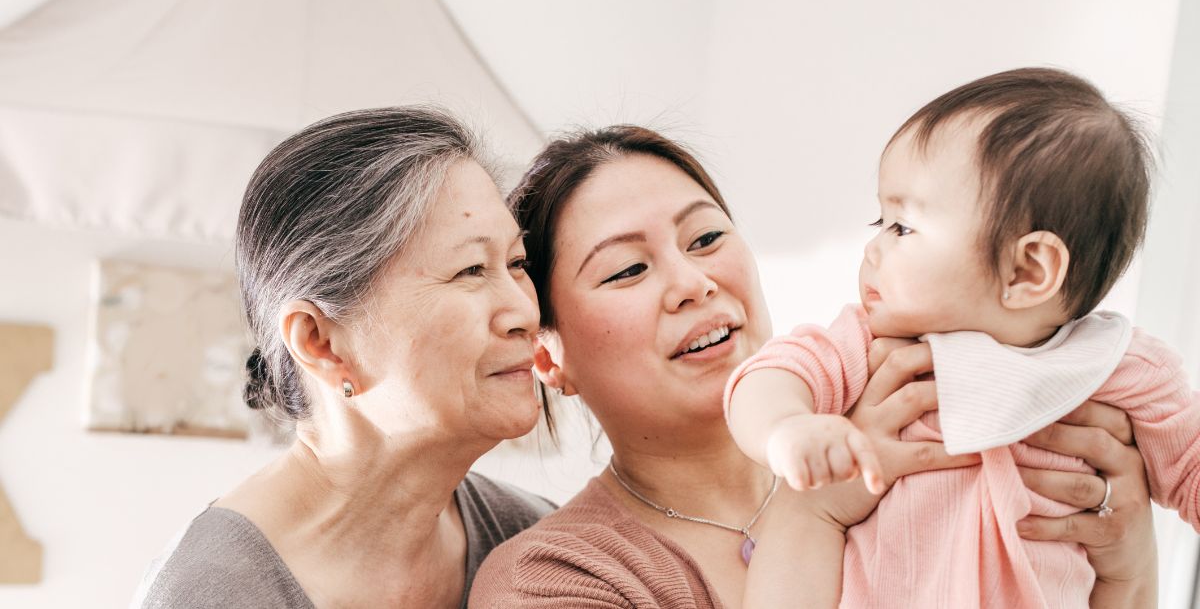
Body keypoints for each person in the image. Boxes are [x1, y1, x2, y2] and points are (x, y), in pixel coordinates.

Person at [470, 124, 1159, 608]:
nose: (693, 281)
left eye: (707, 236)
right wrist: (812, 513)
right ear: (546, 355)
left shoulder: (935, 414)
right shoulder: (552, 581)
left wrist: (1128, 574)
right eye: (626, 270)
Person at [726, 68, 1198, 607]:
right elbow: (768, 376)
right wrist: (787, 428)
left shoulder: (1117, 368)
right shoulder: (877, 346)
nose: (872, 249)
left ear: (1028, 271)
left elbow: (1190, 470)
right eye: (878, 221)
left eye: (902, 227)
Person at [131, 106, 555, 608]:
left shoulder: (533, 539)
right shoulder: (211, 595)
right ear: (320, 343)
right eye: (470, 270)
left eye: (517, 263)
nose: (526, 311)